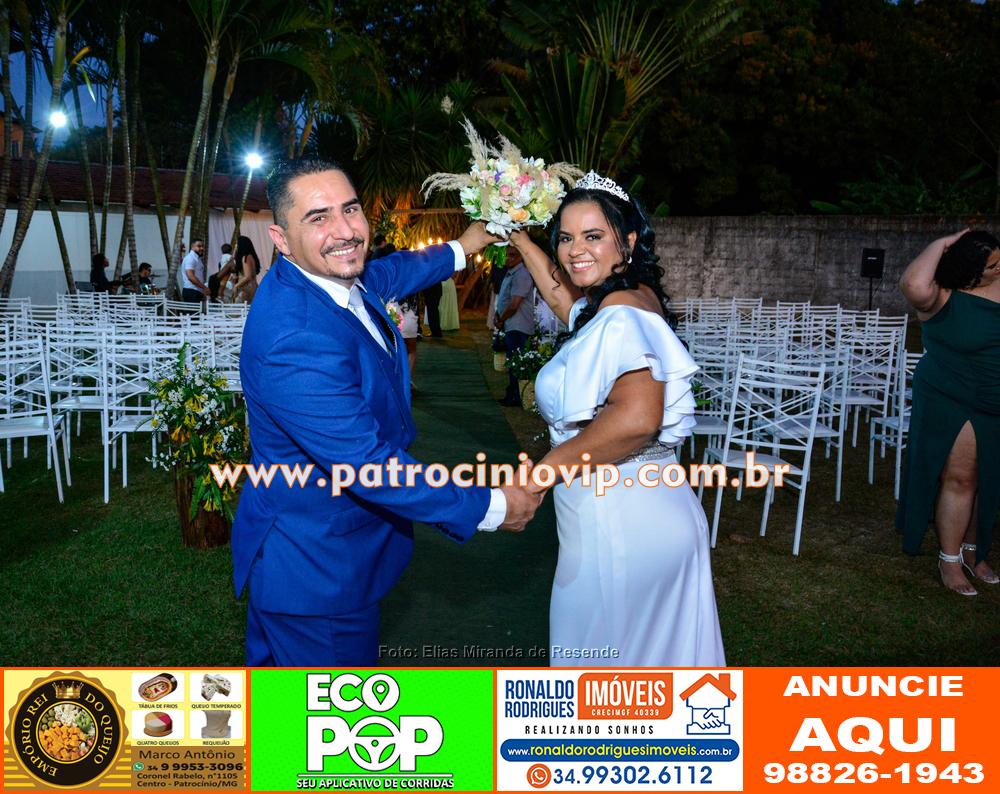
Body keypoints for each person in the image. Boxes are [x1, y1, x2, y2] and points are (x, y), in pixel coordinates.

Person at [232, 157, 542, 666]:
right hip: (318, 570)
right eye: (319, 217)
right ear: (281, 239)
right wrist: (490, 506)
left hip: (316, 550)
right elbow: (366, 465)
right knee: (331, 712)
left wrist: (464, 245)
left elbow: (394, 270)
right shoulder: (296, 337)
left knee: (278, 709)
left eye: (350, 209)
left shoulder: (329, 278)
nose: (346, 230)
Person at [508, 171, 726, 667]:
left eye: (592, 236)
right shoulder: (622, 300)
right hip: (648, 504)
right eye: (565, 238)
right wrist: (517, 235)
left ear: (627, 240)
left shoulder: (621, 314)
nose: (575, 250)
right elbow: (562, 298)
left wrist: (539, 477)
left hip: (621, 522)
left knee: (600, 677)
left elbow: (637, 418)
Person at [897, 229, 1000, 596]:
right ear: (968, 268)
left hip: (995, 401)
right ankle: (950, 559)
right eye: (992, 266)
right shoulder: (940, 294)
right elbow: (912, 283)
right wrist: (941, 244)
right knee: (961, 479)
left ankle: (973, 551)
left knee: (987, 479)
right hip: (953, 397)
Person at [494, 247, 535, 407]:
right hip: (510, 323)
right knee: (512, 362)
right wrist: (497, 314)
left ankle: (517, 396)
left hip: (518, 325)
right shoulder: (511, 272)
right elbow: (504, 298)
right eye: (506, 255)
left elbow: (514, 305)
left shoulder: (521, 275)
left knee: (516, 362)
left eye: (512, 255)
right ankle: (512, 393)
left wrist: (501, 318)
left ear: (521, 257)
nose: (508, 258)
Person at [233, 236, 259, 305]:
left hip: (246, 289)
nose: (235, 246)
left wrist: (236, 286)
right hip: (251, 287)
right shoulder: (251, 256)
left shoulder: (246, 257)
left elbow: (248, 277)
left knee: (239, 310)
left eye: (237, 243)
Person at [182, 238, 208, 304]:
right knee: (193, 311)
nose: (202, 248)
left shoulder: (197, 258)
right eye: (199, 246)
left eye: (202, 246)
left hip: (196, 291)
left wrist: (202, 291)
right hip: (191, 291)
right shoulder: (190, 258)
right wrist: (204, 288)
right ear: (192, 247)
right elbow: (190, 276)